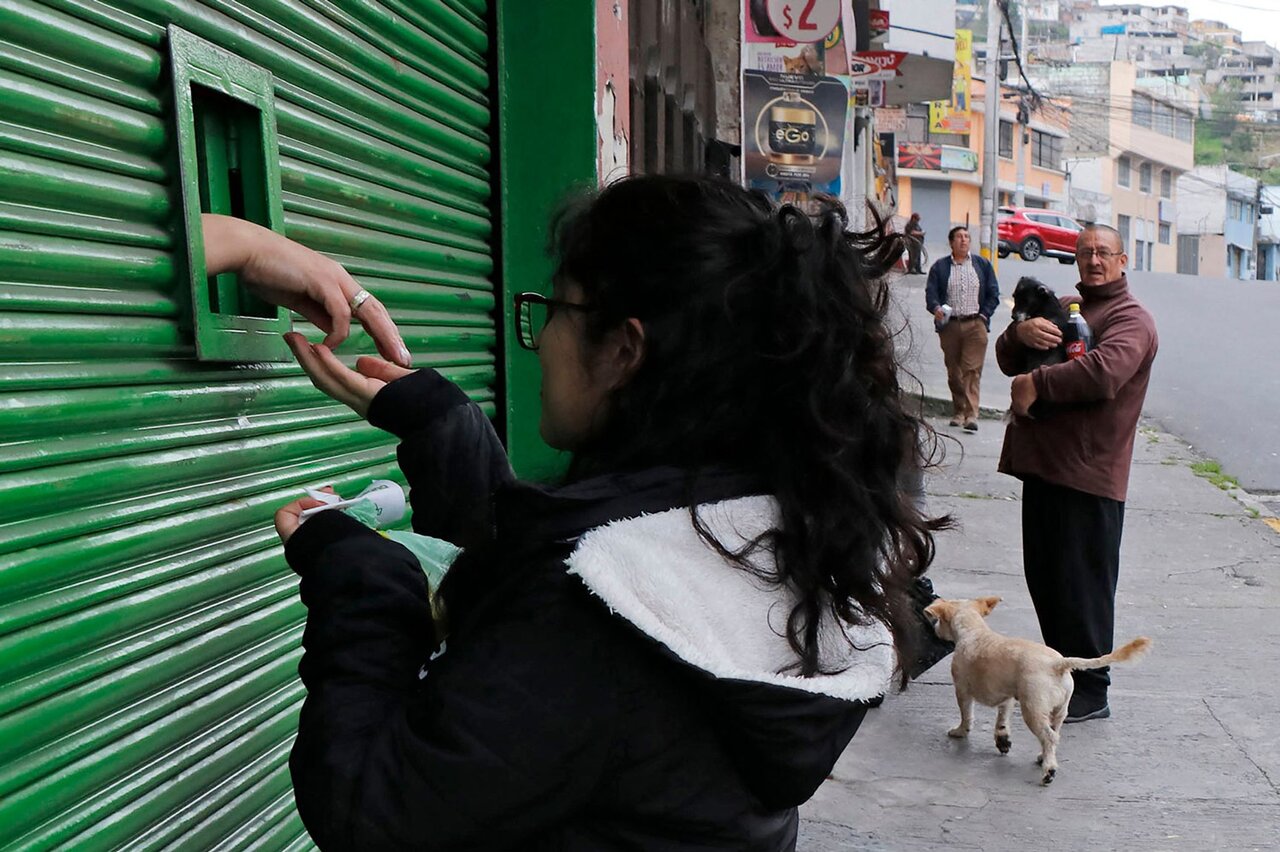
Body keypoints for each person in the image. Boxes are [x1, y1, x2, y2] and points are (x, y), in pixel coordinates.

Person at [210, 176, 947, 850]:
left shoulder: (598, 624)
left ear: (623, 350)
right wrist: (447, 430)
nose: (539, 342)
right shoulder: (764, 531)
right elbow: (570, 604)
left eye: (555, 310)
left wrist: (364, 582)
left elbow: (371, 808)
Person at [994, 224, 1158, 723]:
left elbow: (1104, 373)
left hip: (1090, 476)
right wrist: (1018, 333)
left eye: (1104, 252)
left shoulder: (1132, 319)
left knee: (1083, 589)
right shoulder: (1067, 307)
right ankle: (1062, 680)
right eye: (1086, 252)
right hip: (1045, 469)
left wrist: (1035, 383)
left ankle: (1092, 691)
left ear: (1123, 259)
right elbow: (1007, 359)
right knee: (1047, 580)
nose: (1094, 260)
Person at [924, 225, 1000, 432]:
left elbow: (994, 293)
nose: (963, 240)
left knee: (972, 370)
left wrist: (984, 316)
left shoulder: (982, 265)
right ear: (951, 242)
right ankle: (958, 411)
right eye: (959, 237)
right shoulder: (940, 267)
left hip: (975, 324)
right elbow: (931, 294)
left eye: (966, 237)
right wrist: (936, 308)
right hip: (950, 326)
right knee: (954, 372)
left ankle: (971, 414)